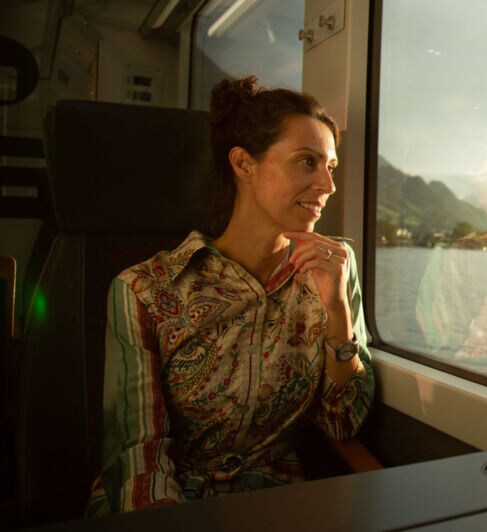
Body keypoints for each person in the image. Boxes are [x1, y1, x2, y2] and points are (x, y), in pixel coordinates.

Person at [86, 75, 374, 514]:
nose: (327, 186)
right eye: (306, 162)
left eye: (329, 166)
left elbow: (342, 422)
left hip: (279, 506)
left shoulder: (335, 266)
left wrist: (336, 310)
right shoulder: (145, 290)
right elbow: (137, 456)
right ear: (243, 164)